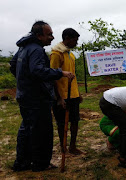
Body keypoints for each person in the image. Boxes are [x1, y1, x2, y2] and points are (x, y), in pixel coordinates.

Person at [9, 21, 74, 172]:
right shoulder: (36, 50)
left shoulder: (24, 47)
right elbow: (38, 70)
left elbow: (13, 65)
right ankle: (41, 164)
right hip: (37, 99)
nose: (52, 37)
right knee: (42, 132)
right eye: (49, 34)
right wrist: (60, 73)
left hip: (25, 96)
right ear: (39, 35)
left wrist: (24, 81)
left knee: (27, 130)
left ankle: (22, 162)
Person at [50, 28, 83, 155]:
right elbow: (52, 76)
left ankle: (72, 147)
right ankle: (63, 146)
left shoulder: (71, 54)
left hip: (73, 94)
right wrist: (59, 98)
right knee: (61, 123)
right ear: (67, 39)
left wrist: (78, 93)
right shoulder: (56, 54)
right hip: (61, 96)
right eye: (75, 40)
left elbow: (73, 76)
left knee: (75, 121)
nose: (76, 43)